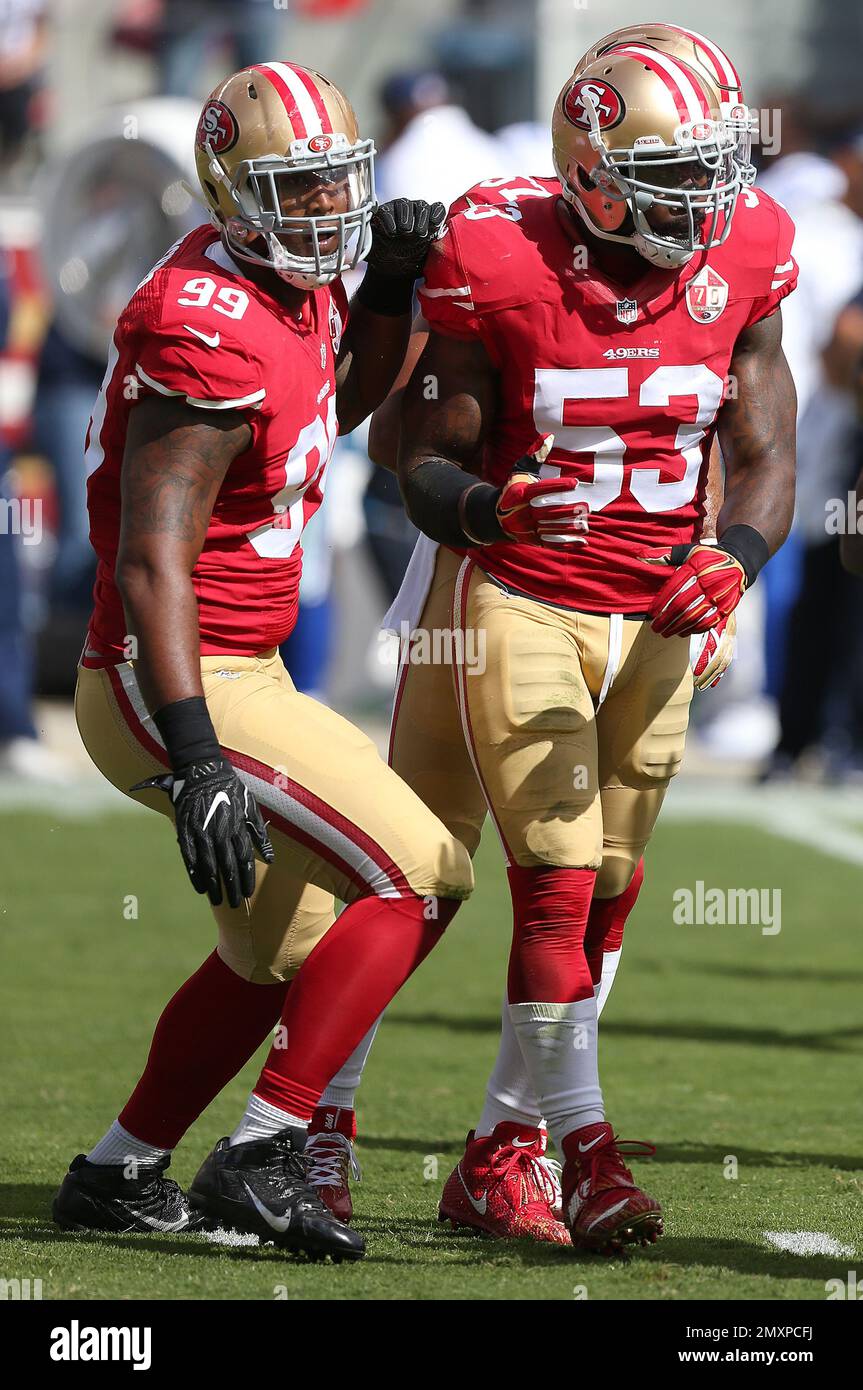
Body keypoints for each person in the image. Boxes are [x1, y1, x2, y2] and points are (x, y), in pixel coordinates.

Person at [321, 29, 797, 1255]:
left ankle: (505, 1148)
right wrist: (485, 507)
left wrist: (732, 557)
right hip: (500, 585)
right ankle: (314, 1120)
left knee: (602, 897)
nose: (709, 201)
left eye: (716, 169)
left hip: (657, 600)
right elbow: (405, 445)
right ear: (591, 171)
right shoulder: (500, 246)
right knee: (425, 873)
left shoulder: (742, 250)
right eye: (674, 173)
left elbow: (762, 446)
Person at [52, 61, 471, 1263]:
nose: (328, 214)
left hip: (238, 665)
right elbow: (149, 559)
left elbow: (322, 411)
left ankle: (118, 1170)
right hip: (172, 673)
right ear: (234, 198)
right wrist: (195, 758)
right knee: (419, 873)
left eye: (338, 186)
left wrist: (385, 285)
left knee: (272, 953)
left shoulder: (284, 292)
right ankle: (262, 1151)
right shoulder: (206, 317)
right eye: (297, 191)